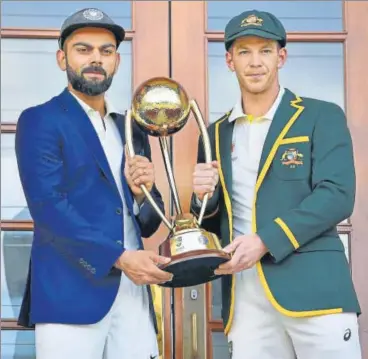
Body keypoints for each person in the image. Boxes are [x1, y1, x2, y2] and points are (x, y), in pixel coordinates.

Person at [191, 9, 362, 359]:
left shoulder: (320, 115)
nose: (255, 62)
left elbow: (337, 195)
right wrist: (199, 199)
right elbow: (211, 222)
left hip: (316, 291)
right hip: (245, 300)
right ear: (229, 60)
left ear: (281, 57)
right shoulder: (214, 134)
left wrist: (265, 240)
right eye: (244, 52)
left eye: (265, 50)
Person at [15, 7, 172, 359]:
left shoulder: (131, 128)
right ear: (62, 58)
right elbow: (48, 207)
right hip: (70, 293)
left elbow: (150, 222)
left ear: (116, 61)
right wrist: (119, 257)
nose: (95, 59)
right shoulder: (40, 120)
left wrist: (141, 194)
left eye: (105, 51)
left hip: (133, 295)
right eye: (83, 49)